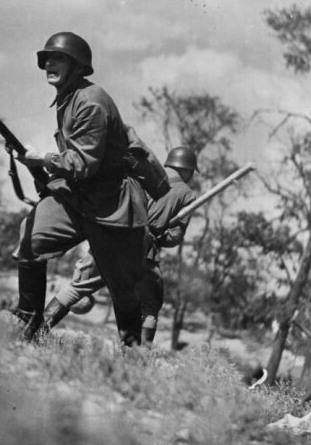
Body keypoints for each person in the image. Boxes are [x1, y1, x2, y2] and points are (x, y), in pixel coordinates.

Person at [14, 32, 149, 346]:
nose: (49, 63)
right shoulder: (67, 98)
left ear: (76, 66)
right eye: (46, 58)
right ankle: (28, 325)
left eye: (58, 58)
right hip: (78, 197)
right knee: (31, 237)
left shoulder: (89, 102)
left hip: (111, 206)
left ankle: (133, 355)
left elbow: (84, 162)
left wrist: (44, 158)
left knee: (122, 288)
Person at [42, 146, 199, 346]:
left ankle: (36, 330)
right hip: (142, 248)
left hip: (110, 233)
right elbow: (173, 237)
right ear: (187, 170)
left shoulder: (144, 173)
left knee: (78, 287)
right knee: (149, 306)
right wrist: (160, 233)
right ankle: (135, 359)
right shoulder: (186, 194)